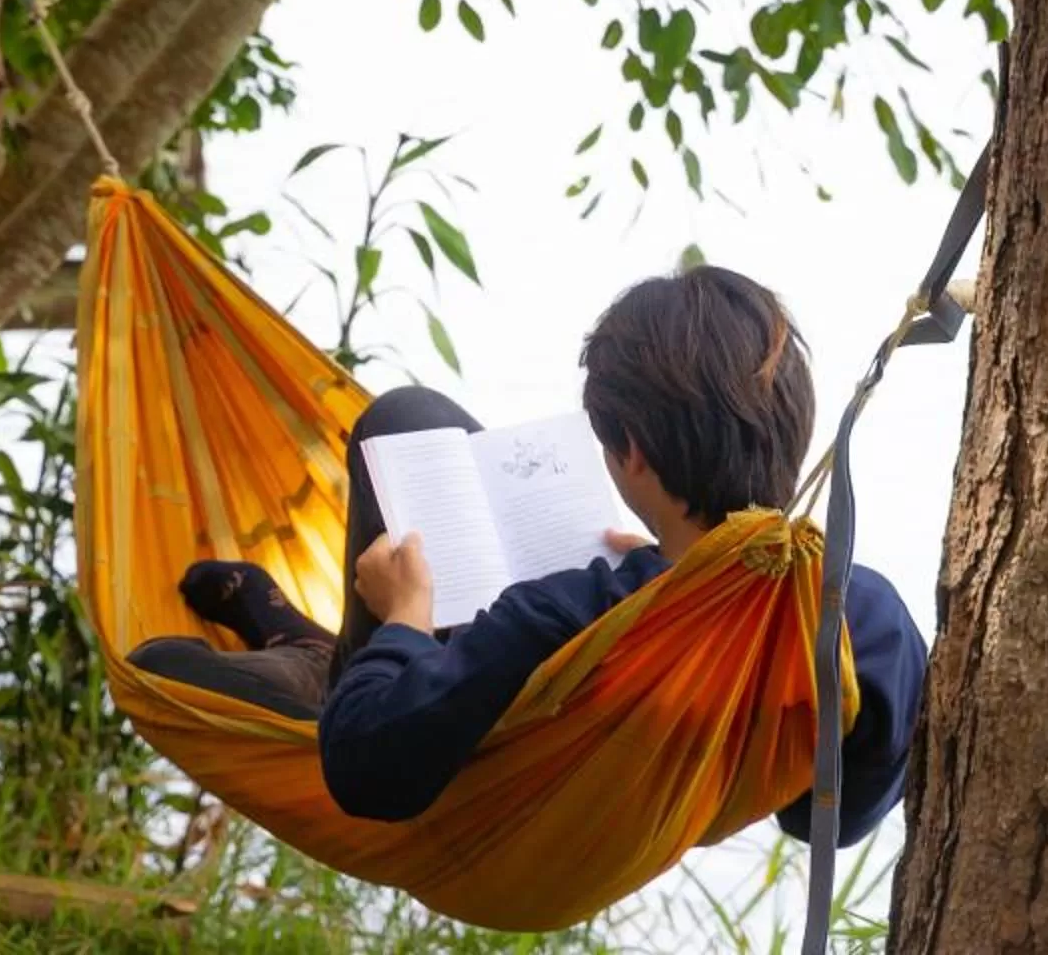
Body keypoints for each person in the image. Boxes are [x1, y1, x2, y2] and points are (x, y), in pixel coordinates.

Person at [128, 263, 927, 849]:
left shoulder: (566, 612)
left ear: (631, 456)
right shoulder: (865, 618)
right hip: (616, 810)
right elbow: (833, 818)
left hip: (465, 790)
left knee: (161, 664)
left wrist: (404, 618)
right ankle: (308, 648)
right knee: (421, 417)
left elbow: (365, 774)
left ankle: (323, 662)